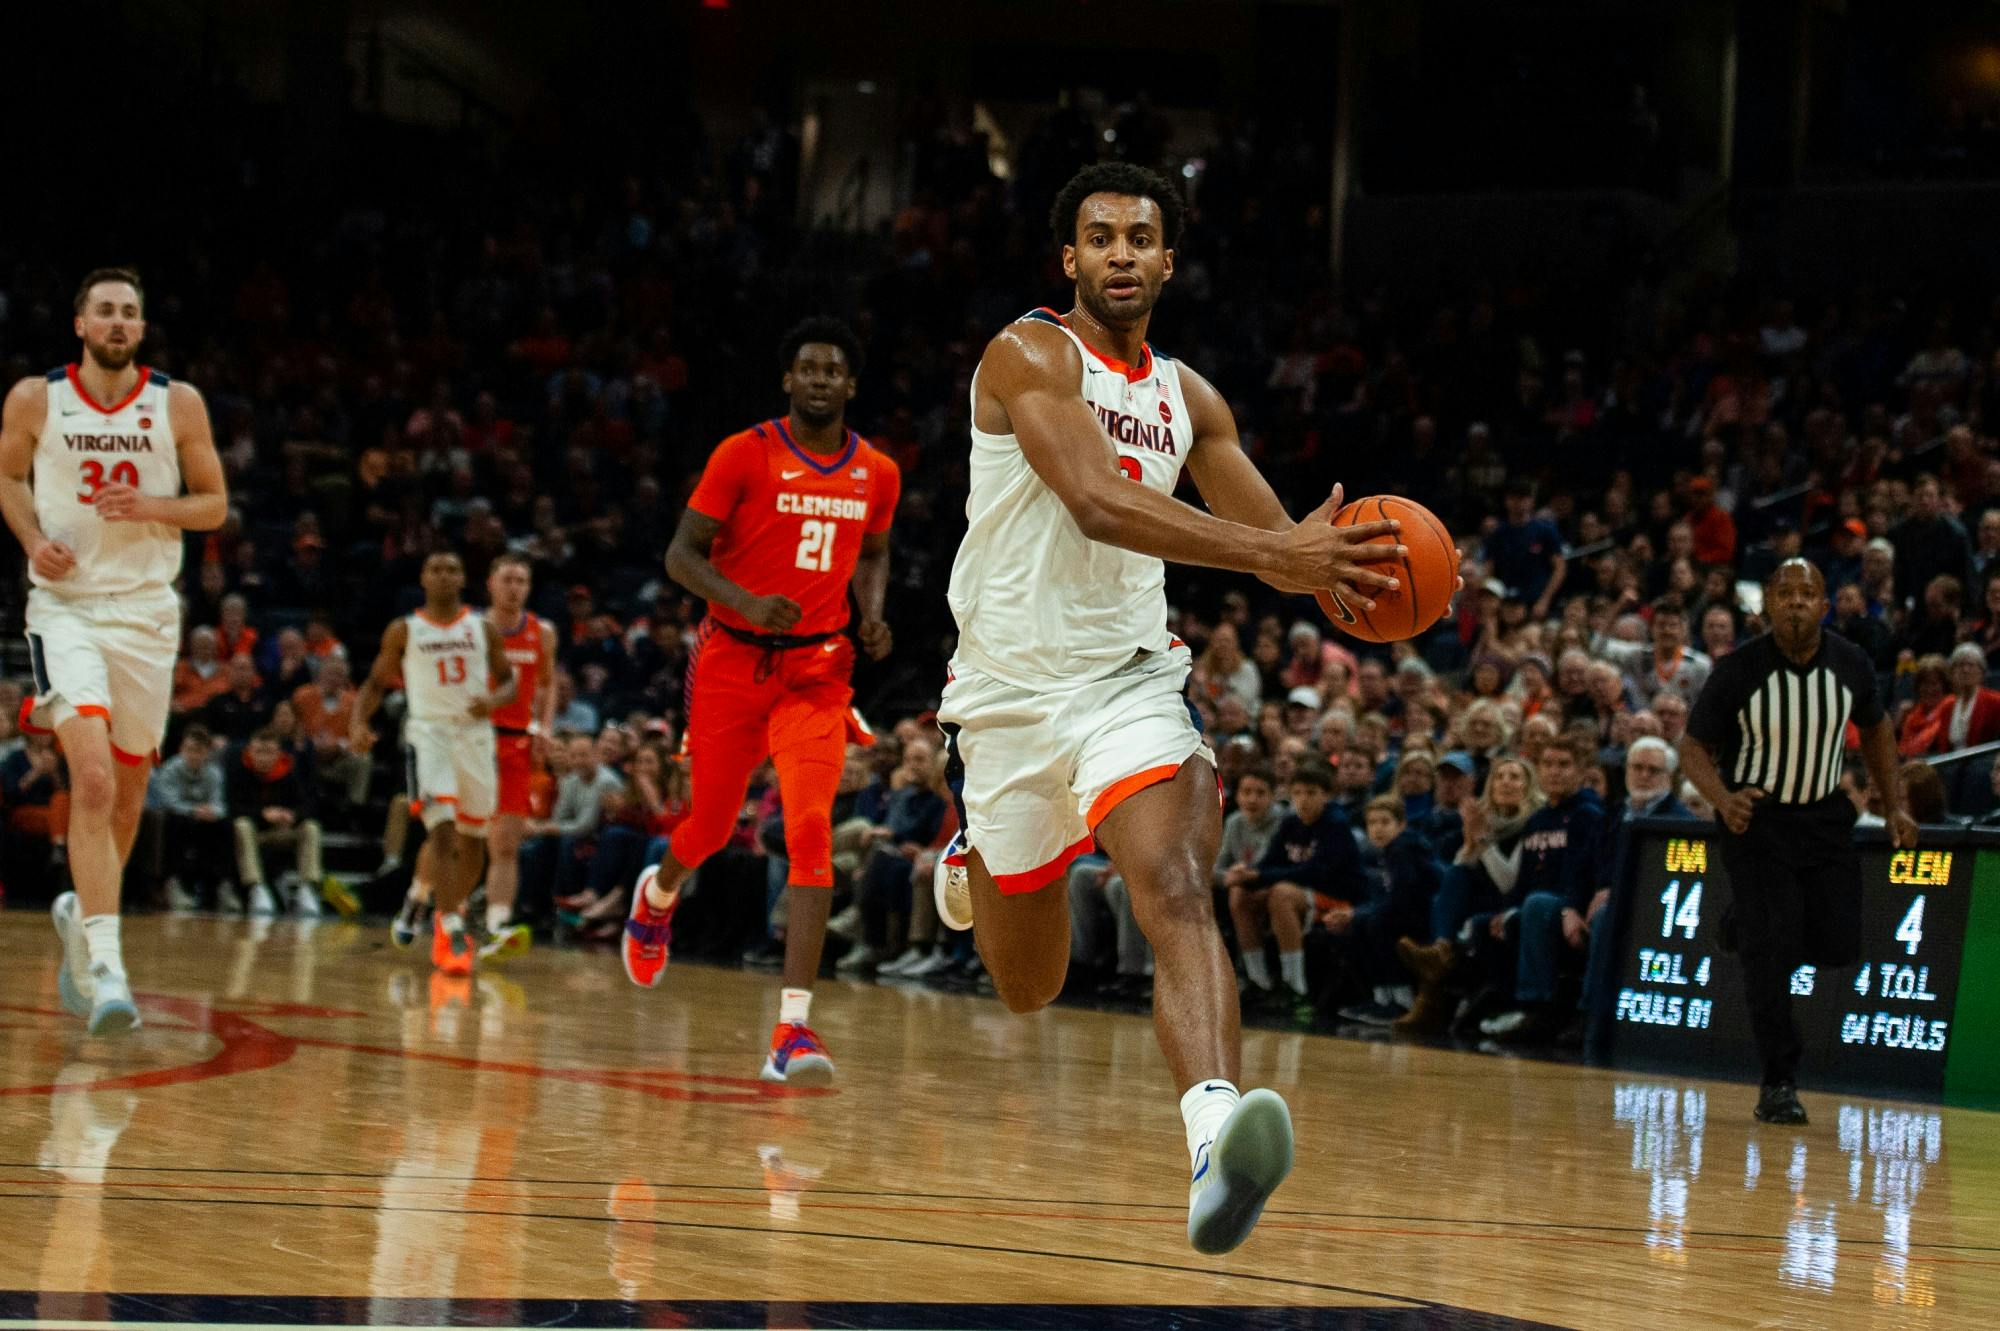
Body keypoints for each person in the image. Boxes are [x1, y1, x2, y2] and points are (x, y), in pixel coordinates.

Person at [933, 163, 1410, 1255]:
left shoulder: (1190, 399)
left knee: (1178, 885)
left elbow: (1285, 549)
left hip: (1127, 682)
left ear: (1166, 261)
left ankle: (1210, 1144)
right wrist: (1273, 550)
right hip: (1005, 700)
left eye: (1139, 237)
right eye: (1097, 235)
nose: (1118, 252)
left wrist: (1347, 571)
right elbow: (1098, 503)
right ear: (1069, 259)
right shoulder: (1028, 353)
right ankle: (971, 847)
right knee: (1027, 985)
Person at [620, 317, 900, 1088]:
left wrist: (870, 613)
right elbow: (681, 555)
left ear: (849, 384)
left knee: (810, 828)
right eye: (805, 367)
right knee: (709, 826)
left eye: (832, 370)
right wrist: (745, 599)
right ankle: (659, 892)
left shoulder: (876, 470)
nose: (818, 379)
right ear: (788, 380)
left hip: (818, 672)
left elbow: (873, 556)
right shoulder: (743, 453)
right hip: (733, 660)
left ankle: (792, 1029)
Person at [0, 267, 227, 1034]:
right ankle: (107, 965)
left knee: (127, 797)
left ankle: (82, 918)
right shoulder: (36, 397)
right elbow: (7, 478)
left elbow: (216, 503)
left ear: (141, 325)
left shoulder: (178, 401)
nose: (119, 321)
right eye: (106, 310)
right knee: (90, 779)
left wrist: (152, 505)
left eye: (131, 311)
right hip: (65, 609)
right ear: (80, 324)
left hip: (147, 615)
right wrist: (33, 539)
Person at [1680, 559, 1917, 1126]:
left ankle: (1746, 921)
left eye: (1807, 593)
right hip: (1756, 823)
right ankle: (1779, 1081)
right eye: (1784, 593)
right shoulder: (1738, 670)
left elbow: (1880, 729)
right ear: (1766, 605)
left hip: (1825, 820)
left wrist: (1896, 803)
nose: (1795, 603)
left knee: (1838, 945)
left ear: (1824, 606)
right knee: (1773, 951)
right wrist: (1722, 798)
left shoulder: (1851, 663)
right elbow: (1693, 749)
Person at [351, 550, 515, 977]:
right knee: (441, 832)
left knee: (475, 840)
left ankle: (425, 904)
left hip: (475, 736)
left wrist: (493, 701)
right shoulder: (405, 629)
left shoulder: (482, 628)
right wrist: (357, 722)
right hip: (429, 735)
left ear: (463, 578)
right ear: (423, 577)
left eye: (453, 569)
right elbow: (374, 683)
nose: (445, 576)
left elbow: (510, 681)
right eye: (437, 569)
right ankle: (452, 925)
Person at [481, 550, 555, 960]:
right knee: (465, 839)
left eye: (521, 581)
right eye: (507, 579)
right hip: (475, 739)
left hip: (516, 743)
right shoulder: (473, 628)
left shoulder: (542, 632)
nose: (514, 588)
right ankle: (449, 918)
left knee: (506, 844)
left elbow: (548, 683)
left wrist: (545, 725)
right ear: (490, 584)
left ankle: (497, 926)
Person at [228, 728, 325, 916]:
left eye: (269, 752)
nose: (263, 757)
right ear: (250, 752)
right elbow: (233, 809)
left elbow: (309, 805)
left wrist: (292, 815)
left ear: (278, 754)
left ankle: (307, 888)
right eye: (259, 752)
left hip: (284, 831)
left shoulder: (290, 773)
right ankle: (256, 887)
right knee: (241, 825)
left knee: (311, 827)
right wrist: (263, 815)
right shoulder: (239, 772)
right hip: (256, 832)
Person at [148, 723, 232, 912]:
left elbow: (219, 803)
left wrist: (213, 812)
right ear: (181, 749)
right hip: (180, 819)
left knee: (225, 825)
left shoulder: (214, 773)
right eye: (190, 750)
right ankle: (175, 884)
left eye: (199, 751)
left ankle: (220, 887)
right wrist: (195, 810)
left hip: (204, 820)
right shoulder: (170, 769)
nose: (194, 755)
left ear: (207, 753)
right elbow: (168, 801)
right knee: (177, 822)